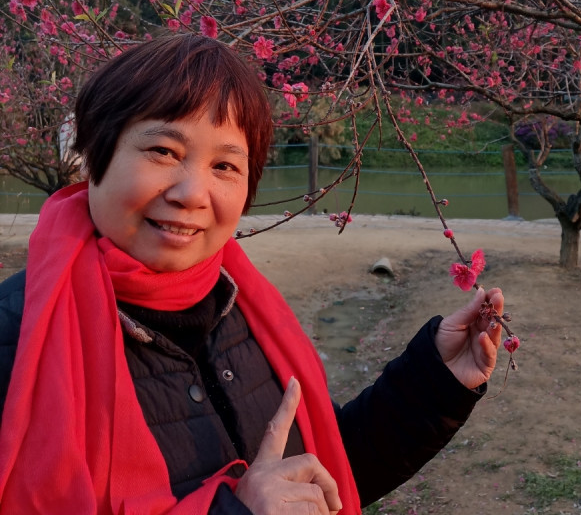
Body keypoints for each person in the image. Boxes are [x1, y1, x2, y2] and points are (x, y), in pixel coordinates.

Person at [0, 34, 505, 514]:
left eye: (225, 166)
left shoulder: (243, 308)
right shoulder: (17, 338)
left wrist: (434, 382)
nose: (191, 194)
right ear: (96, 155)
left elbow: (319, 478)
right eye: (163, 151)